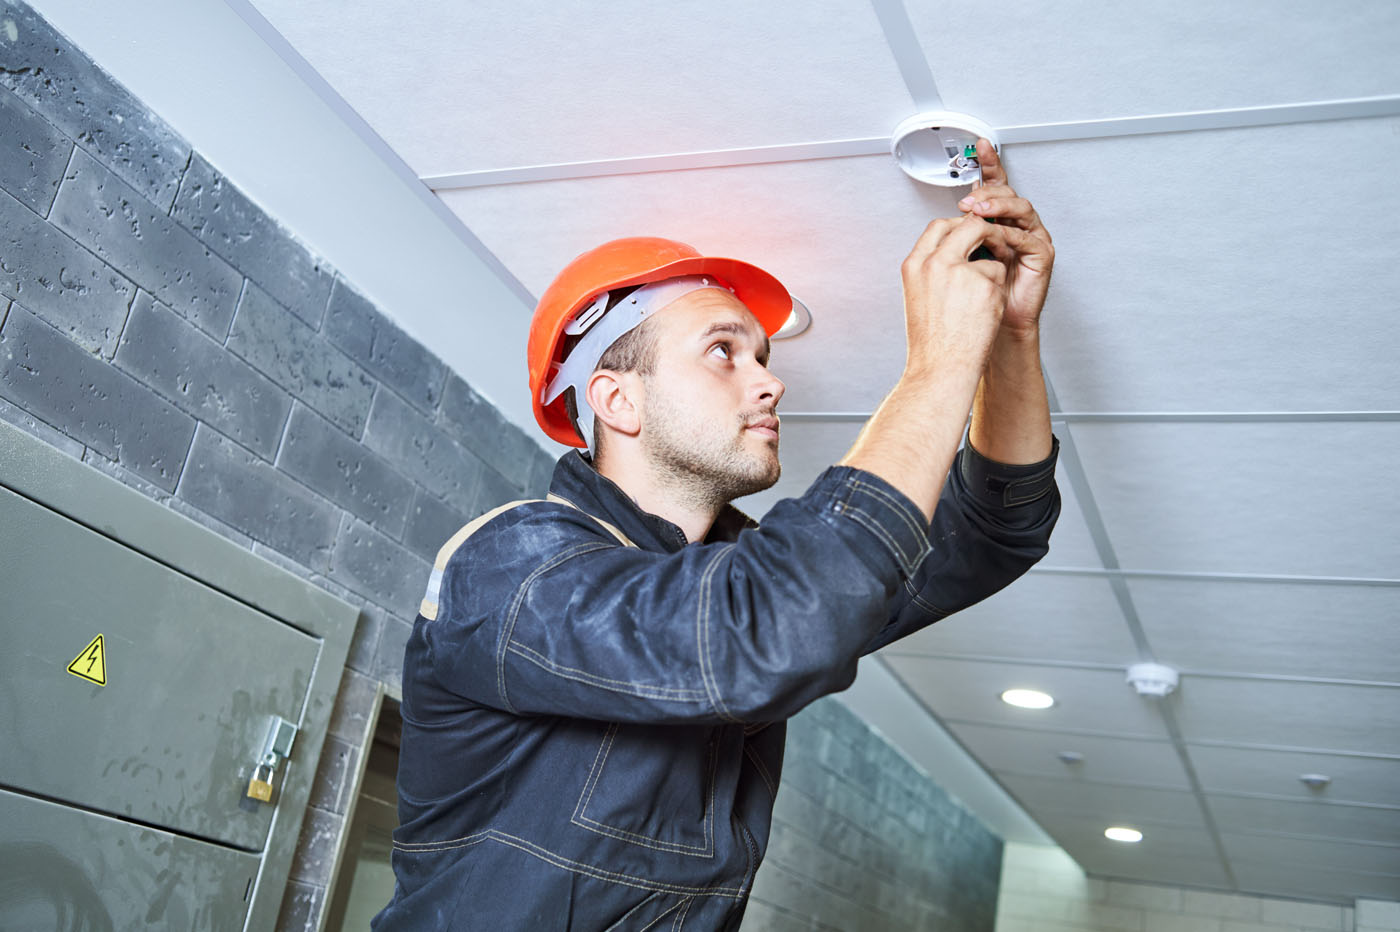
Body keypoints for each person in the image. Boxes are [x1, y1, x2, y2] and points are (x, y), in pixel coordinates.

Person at [375, 141, 1060, 930]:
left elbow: (993, 528)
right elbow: (757, 632)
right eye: (722, 353)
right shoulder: (509, 568)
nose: (769, 380)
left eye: (761, 356)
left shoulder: (744, 579)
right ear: (617, 401)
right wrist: (936, 365)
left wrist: (1008, 337)